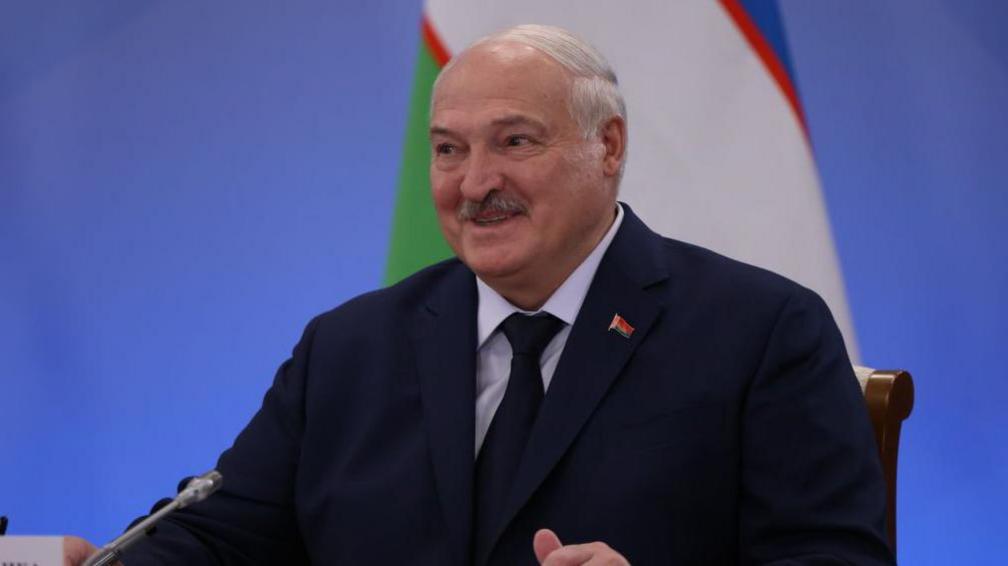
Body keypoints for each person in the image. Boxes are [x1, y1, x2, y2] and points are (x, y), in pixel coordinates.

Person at [66, 24, 893, 565]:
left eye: (515, 142)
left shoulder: (760, 331)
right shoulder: (350, 347)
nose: (475, 183)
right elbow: (218, 534)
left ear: (607, 147)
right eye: (448, 149)